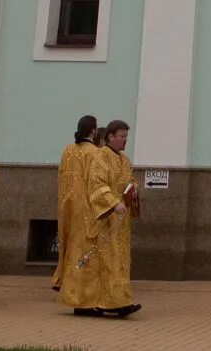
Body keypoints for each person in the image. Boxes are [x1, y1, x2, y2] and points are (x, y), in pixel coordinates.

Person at [58, 119, 138, 319]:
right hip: (106, 218)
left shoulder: (125, 160)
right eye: (122, 137)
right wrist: (113, 202)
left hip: (121, 220)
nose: (125, 141)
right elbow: (96, 184)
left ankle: (119, 300)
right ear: (110, 137)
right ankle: (106, 302)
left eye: (126, 137)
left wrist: (134, 191)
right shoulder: (100, 156)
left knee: (119, 262)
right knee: (103, 262)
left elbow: (130, 181)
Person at [51, 114, 96, 292]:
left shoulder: (68, 150)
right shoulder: (94, 152)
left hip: (66, 204)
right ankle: (75, 282)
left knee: (67, 242)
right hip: (85, 206)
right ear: (93, 131)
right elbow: (95, 181)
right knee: (82, 246)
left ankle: (61, 278)